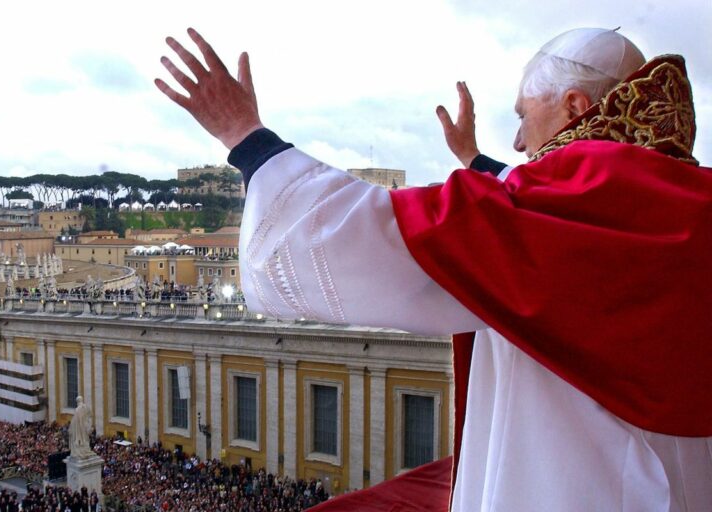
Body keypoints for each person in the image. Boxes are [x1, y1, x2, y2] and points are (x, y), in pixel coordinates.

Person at [156, 27, 712, 511]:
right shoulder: (686, 201)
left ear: (573, 107)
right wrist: (477, 163)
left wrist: (247, 139)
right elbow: (541, 220)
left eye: (523, 116)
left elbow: (361, 237)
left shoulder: (549, 211)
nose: (518, 141)